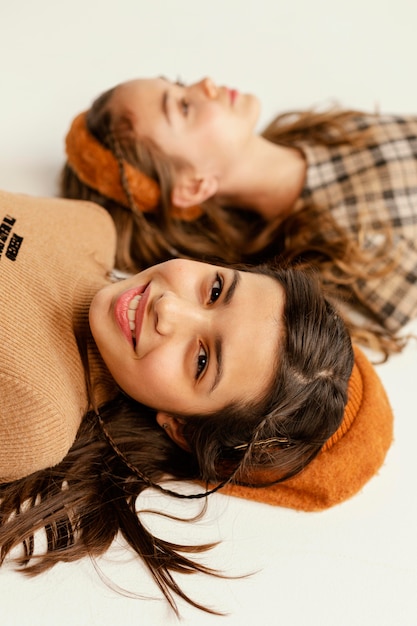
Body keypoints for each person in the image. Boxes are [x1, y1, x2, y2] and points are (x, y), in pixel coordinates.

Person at [0, 190, 392, 615]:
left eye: (202, 360)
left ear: (179, 427)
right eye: (216, 290)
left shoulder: (35, 414)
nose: (168, 308)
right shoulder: (91, 225)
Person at [62, 76, 417, 358]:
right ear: (193, 186)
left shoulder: (325, 132)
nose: (206, 83)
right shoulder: (342, 254)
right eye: (184, 107)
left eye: (180, 82)